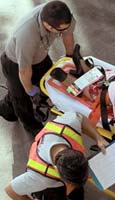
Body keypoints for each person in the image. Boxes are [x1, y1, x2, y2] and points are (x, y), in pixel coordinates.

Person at [0, 0, 75, 135]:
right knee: (21, 98)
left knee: (49, 83)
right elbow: (24, 70)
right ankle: (33, 128)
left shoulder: (64, 18)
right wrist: (30, 91)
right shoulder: (27, 35)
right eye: (60, 30)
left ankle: (8, 106)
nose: (64, 31)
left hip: (40, 55)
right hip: (15, 63)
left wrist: (70, 57)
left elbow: (68, 35)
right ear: (48, 26)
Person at [5, 112, 108, 200]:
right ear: (56, 169)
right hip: (50, 190)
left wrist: (98, 138)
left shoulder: (68, 125)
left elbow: (80, 118)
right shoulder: (39, 178)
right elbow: (10, 191)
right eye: (70, 184)